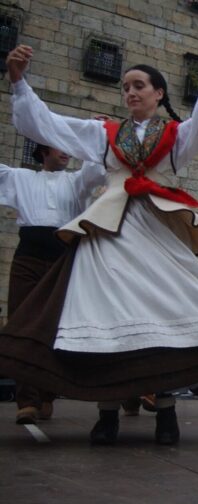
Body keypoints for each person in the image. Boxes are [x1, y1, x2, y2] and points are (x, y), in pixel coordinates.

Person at [0, 35, 198, 445]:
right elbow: (49, 125)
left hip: (155, 230)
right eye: (126, 87)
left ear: (158, 93)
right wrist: (19, 83)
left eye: (139, 86)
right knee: (105, 314)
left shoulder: (176, 135)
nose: (131, 92)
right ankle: (107, 412)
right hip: (110, 230)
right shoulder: (104, 133)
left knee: (165, 313)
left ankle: (166, 413)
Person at [0, 146, 106, 424]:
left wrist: (91, 142)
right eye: (59, 147)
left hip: (62, 256)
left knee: (57, 325)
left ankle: (47, 394)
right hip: (29, 254)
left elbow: (94, 169)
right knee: (21, 321)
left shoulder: (75, 181)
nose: (65, 153)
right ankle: (27, 400)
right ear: (44, 151)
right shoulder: (20, 177)